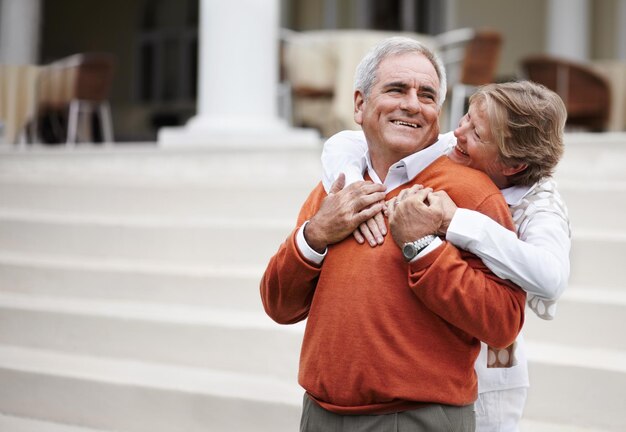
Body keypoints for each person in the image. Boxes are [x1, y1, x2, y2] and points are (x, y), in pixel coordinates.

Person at [260, 36, 526, 432]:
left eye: (427, 95)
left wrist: (423, 249)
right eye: (397, 89)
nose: (412, 104)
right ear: (359, 105)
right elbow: (279, 305)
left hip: (420, 418)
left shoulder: (471, 192)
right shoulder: (333, 189)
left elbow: (503, 323)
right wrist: (316, 232)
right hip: (319, 415)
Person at [320, 80, 571, 432]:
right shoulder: (457, 147)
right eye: (466, 116)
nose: (458, 132)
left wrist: (454, 219)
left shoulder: (541, 204)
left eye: (477, 133)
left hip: (491, 370)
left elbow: (551, 278)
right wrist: (356, 196)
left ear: (511, 165)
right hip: (432, 355)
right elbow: (340, 143)